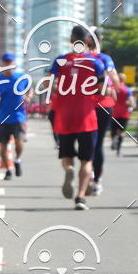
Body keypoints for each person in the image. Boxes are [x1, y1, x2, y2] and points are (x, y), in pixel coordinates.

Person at [50, 26, 105, 210]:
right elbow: (103, 87)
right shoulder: (95, 63)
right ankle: (80, 198)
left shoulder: (60, 61)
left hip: (64, 116)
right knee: (87, 160)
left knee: (66, 156)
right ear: (87, 41)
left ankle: (69, 170)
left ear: (71, 41)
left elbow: (50, 84)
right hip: (87, 117)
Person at [85, 28, 119, 195]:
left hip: (83, 107)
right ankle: (97, 181)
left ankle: (88, 175)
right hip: (104, 106)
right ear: (101, 40)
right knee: (98, 145)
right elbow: (116, 82)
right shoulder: (105, 59)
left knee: (85, 143)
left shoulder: (79, 58)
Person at [0, 52, 30, 179]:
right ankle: (8, 170)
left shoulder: (22, 77)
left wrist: (28, 97)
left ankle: (17, 160)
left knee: (19, 142)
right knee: (3, 145)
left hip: (18, 116)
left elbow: (30, 89)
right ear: (2, 64)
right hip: (2, 117)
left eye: (10, 62)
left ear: (14, 64)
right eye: (5, 62)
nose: (8, 64)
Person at [111, 75, 134, 156]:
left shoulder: (113, 88)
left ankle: (113, 138)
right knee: (121, 132)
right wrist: (131, 105)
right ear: (124, 80)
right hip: (124, 114)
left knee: (113, 129)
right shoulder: (127, 90)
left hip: (114, 112)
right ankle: (118, 150)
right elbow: (132, 103)